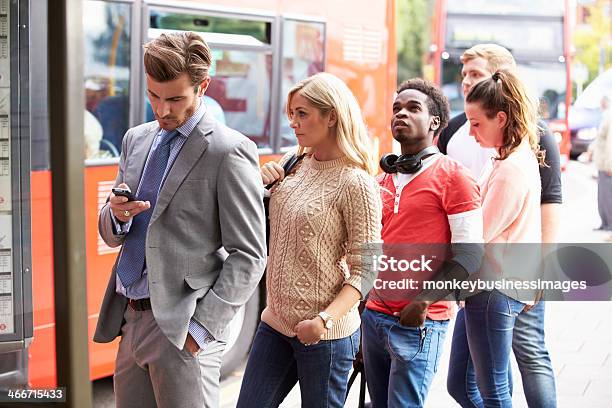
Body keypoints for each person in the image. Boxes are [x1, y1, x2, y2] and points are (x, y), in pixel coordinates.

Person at [95, 32, 266, 408]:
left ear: (202, 86)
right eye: (154, 95)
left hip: (182, 327)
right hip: (129, 317)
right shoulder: (135, 140)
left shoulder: (229, 150)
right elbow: (109, 231)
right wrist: (117, 215)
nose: (162, 109)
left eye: (175, 99)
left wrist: (201, 330)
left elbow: (250, 255)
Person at [236, 72, 381, 408]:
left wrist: (323, 321)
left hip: (324, 336)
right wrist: (262, 185)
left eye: (302, 113)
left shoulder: (356, 183)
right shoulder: (295, 162)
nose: (294, 123)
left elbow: (366, 270)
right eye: (292, 114)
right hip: (275, 323)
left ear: (331, 116)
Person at [440, 44, 560, 408]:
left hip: (495, 288)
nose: (472, 132)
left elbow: (475, 236)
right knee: (469, 385)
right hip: (489, 288)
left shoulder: (510, 168)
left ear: (502, 119)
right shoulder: (504, 157)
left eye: (478, 124)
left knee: (496, 390)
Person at [362, 78, 483, 408]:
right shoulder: (381, 179)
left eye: (413, 108)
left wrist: (423, 302)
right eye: (396, 108)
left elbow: (470, 255)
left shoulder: (455, 177)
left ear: (435, 123)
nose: (401, 113)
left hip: (418, 322)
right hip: (373, 316)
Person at [589, 95, 612, 231]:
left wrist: (610, 165)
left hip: (606, 165)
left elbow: (610, 143)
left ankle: (609, 224)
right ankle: (605, 223)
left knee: (607, 196)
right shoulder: (606, 116)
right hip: (602, 164)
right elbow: (600, 140)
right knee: (602, 196)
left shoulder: (609, 117)